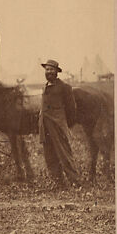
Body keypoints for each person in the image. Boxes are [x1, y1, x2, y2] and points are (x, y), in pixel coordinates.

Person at [38, 59, 81, 189]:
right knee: (50, 156)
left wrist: (65, 124)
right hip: (45, 126)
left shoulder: (64, 87)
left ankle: (75, 182)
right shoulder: (45, 86)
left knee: (64, 154)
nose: (49, 72)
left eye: (51, 69)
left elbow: (71, 109)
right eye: (47, 69)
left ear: (57, 72)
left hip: (58, 126)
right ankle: (59, 183)